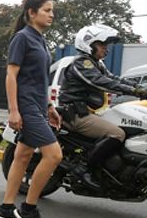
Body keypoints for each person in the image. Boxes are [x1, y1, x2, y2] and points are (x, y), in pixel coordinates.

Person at [0, 0, 62, 218]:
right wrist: (13, 110)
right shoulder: (22, 38)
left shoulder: (41, 40)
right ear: (32, 13)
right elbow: (11, 76)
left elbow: (40, 80)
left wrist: (49, 106)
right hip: (25, 106)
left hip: (37, 106)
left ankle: (6, 207)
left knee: (22, 156)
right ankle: (29, 209)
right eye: (47, 10)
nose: (51, 14)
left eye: (52, 10)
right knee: (53, 155)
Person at [58, 25, 147, 188]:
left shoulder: (96, 64)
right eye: (102, 45)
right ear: (89, 45)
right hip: (76, 115)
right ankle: (84, 167)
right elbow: (100, 81)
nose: (106, 50)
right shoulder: (81, 63)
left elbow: (115, 79)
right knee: (117, 134)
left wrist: (139, 88)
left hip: (88, 113)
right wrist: (135, 91)